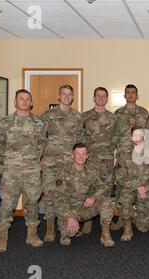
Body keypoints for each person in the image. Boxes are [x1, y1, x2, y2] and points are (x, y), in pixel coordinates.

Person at [0, 89, 46, 253]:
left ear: (31, 102)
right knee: (7, 203)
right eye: (20, 99)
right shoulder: (5, 123)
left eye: (27, 99)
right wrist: (8, 162)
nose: (24, 101)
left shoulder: (39, 123)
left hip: (32, 171)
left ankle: (32, 234)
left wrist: (32, 161)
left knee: (32, 203)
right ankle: (2, 236)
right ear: (15, 102)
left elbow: (42, 145)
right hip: (12, 171)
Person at [41, 84, 84, 242]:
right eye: (63, 94)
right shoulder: (48, 115)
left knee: (66, 197)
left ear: (72, 97)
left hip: (68, 166)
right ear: (59, 96)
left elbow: (81, 141)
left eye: (69, 94)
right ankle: (50, 230)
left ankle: (65, 227)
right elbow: (40, 139)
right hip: (51, 165)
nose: (66, 97)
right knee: (50, 196)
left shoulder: (77, 117)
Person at [54, 143, 115, 247]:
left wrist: (94, 197)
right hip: (69, 210)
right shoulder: (64, 172)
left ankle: (105, 235)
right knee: (70, 233)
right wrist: (69, 217)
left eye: (83, 154)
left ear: (87, 156)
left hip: (84, 208)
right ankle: (67, 231)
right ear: (72, 155)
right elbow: (58, 199)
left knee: (106, 202)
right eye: (78, 154)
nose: (81, 157)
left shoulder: (91, 171)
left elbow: (103, 187)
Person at [111, 84, 149, 231]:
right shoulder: (118, 113)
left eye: (133, 92)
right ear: (124, 95)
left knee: (141, 183)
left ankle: (140, 217)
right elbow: (114, 135)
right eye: (127, 92)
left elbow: (147, 135)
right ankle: (122, 218)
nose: (130, 95)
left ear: (137, 95)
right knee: (123, 188)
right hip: (124, 155)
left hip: (140, 155)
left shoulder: (144, 113)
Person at [81, 87, 117, 236]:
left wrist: (113, 155)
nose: (101, 98)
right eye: (98, 96)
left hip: (107, 161)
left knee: (106, 190)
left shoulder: (112, 117)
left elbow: (116, 137)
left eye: (104, 96)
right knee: (89, 189)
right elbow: (80, 138)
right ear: (94, 98)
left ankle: (106, 222)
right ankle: (88, 220)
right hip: (90, 161)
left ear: (107, 99)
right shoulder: (85, 117)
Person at [115, 127, 149, 241]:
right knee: (126, 198)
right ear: (131, 138)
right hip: (130, 187)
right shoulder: (124, 155)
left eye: (140, 134)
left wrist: (146, 187)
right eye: (135, 135)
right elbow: (120, 176)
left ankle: (136, 217)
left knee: (144, 227)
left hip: (146, 189)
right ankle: (127, 227)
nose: (138, 137)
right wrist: (137, 186)